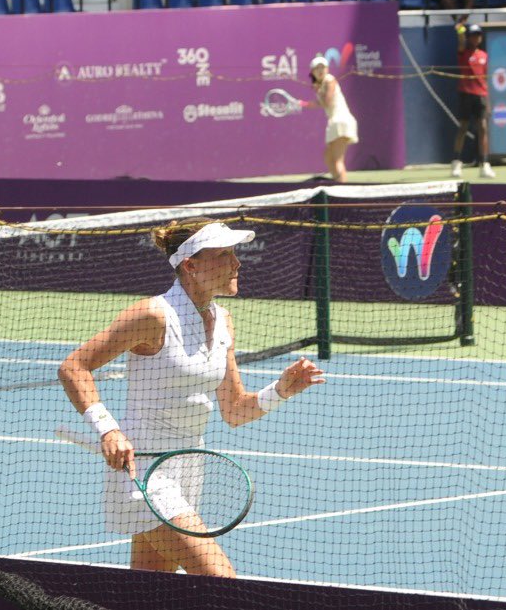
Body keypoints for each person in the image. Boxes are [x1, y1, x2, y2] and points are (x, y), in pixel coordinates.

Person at [58, 218, 324, 576]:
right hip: (144, 474)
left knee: (153, 594)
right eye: (224, 254)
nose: (237, 263)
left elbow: (235, 410)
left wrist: (280, 391)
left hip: (188, 468)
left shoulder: (224, 321)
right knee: (221, 582)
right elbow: (74, 367)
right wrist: (108, 430)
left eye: (234, 253)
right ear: (191, 265)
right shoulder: (152, 315)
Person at [450, 24, 495, 179]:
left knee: (482, 128)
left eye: (478, 35)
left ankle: (484, 164)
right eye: (473, 35)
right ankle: (456, 162)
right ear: (468, 38)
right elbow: (461, 41)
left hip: (481, 95)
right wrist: (460, 30)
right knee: (463, 127)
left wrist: (487, 99)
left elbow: (485, 78)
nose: (476, 38)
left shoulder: (484, 55)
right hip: (465, 94)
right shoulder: (463, 52)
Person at [308, 55, 358, 182]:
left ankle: (343, 192)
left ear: (327, 69)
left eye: (323, 67)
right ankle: (337, 183)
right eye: (317, 68)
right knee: (328, 158)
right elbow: (318, 103)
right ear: (312, 71)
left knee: (337, 160)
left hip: (341, 122)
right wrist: (301, 103)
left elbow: (327, 102)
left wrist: (318, 89)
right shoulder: (321, 85)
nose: (320, 70)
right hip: (335, 123)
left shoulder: (329, 80)